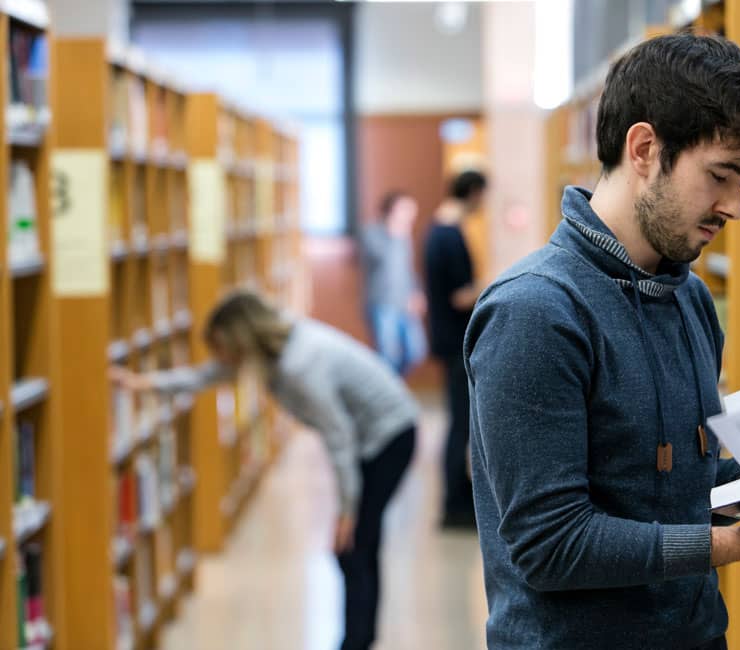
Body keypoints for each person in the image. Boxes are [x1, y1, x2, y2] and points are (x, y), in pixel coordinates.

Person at [464, 34, 740, 649]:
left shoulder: (690, 297)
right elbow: (551, 545)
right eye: (721, 175)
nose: (735, 208)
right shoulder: (534, 311)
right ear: (644, 149)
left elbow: (676, 487)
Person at [108, 290, 417, 650]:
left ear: (240, 339)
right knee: (359, 544)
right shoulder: (272, 350)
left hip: (389, 437)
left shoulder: (300, 365)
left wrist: (347, 509)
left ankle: (357, 640)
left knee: (353, 544)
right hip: (369, 437)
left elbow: (339, 437)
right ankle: (360, 638)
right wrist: (145, 385)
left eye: (222, 347)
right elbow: (208, 376)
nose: (221, 358)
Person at [424, 170, 486, 529]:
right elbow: (460, 295)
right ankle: (454, 505)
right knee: (460, 424)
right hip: (454, 340)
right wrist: (492, 286)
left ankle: (458, 497)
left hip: (446, 337)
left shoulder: (438, 231)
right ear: (474, 193)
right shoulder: (449, 236)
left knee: (459, 421)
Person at [361, 190, 428, 376]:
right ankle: (386, 392)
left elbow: (407, 269)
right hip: (382, 303)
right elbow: (382, 260)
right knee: (388, 356)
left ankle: (393, 386)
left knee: (416, 352)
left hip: (405, 304)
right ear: (391, 210)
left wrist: (417, 292)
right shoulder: (372, 233)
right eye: (405, 209)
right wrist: (394, 236)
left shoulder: (404, 237)